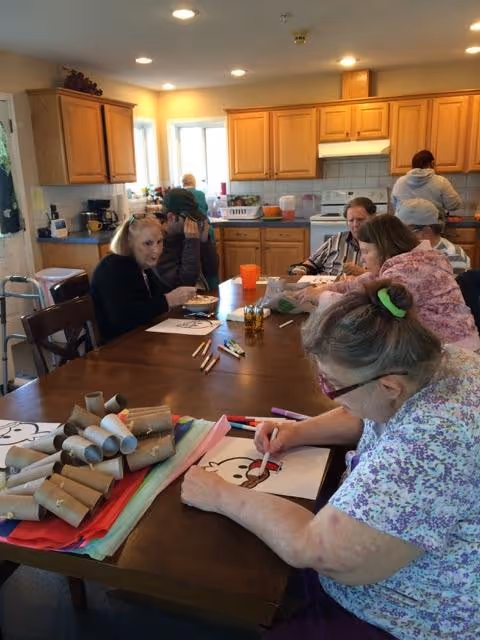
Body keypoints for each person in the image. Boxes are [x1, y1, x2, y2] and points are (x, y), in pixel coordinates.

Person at [181, 280, 480, 639]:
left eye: (333, 385)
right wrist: (297, 431)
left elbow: (316, 547)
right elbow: (369, 412)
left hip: (415, 614)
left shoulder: (432, 441)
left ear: (388, 385)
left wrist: (221, 494)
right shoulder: (437, 361)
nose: (330, 395)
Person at [297, 214, 480, 351]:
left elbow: (367, 309)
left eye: (366, 252)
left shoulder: (410, 270)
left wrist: (323, 297)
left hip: (451, 354)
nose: (362, 260)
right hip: (443, 345)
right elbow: (366, 280)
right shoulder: (412, 261)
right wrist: (326, 287)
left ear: (385, 247)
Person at [90, 215, 196, 342]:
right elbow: (123, 318)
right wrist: (168, 300)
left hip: (138, 340)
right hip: (114, 348)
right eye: (147, 243)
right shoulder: (114, 268)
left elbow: (160, 295)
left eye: (159, 242)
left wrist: (179, 296)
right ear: (129, 243)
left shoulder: (142, 267)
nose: (156, 250)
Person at [288, 197, 376, 277]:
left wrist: (362, 273)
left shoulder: (382, 243)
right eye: (351, 220)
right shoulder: (337, 239)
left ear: (373, 218)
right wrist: (300, 270)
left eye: (360, 219)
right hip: (322, 287)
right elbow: (311, 264)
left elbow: (386, 278)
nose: (355, 224)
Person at [155, 188, 218, 290]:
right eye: (188, 219)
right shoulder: (156, 243)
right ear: (171, 217)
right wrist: (192, 242)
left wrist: (204, 243)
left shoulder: (184, 234)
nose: (193, 223)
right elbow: (184, 284)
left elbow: (211, 271)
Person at [395, 198, 470, 274]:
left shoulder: (453, 256)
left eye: (405, 232)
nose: (400, 237)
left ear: (427, 231)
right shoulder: (404, 249)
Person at [391, 149, 463, 219]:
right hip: (432, 229)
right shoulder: (441, 181)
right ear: (432, 163)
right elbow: (454, 205)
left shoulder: (399, 182)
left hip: (404, 228)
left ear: (412, 166)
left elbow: (395, 205)